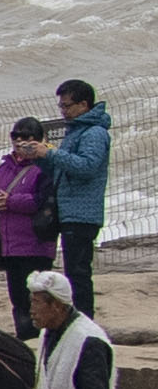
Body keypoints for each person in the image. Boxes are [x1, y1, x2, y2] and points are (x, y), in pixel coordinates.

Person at [0, 118, 61, 313]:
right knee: (18, 301)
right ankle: (23, 332)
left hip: (36, 245)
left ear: (38, 140)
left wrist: (10, 201)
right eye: (15, 136)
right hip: (10, 246)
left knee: (36, 302)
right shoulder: (5, 166)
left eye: (26, 137)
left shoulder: (46, 166)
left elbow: (43, 200)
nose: (19, 141)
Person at [55, 80, 111, 315]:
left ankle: (84, 322)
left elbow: (87, 166)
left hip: (82, 214)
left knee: (78, 274)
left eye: (67, 106)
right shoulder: (76, 130)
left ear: (84, 104)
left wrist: (52, 154)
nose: (63, 111)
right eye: (61, 106)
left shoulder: (94, 133)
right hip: (70, 211)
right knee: (73, 273)